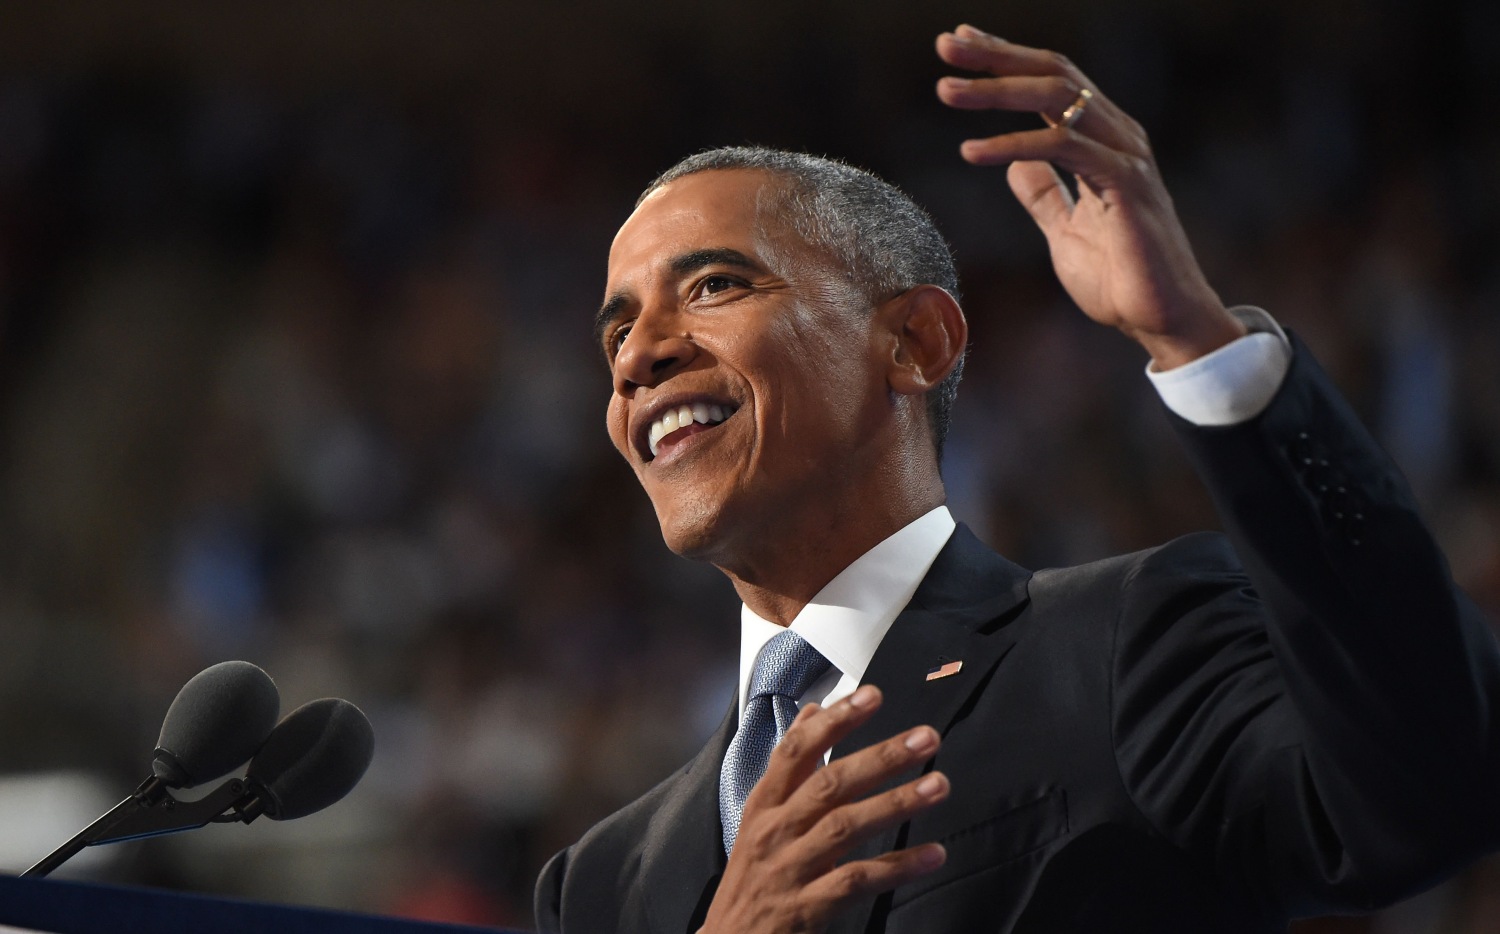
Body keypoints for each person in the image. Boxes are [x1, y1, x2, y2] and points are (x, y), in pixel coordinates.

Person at [533, 23, 1500, 934]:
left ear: (916, 342)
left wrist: (1198, 343)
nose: (638, 356)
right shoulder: (602, 882)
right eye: (616, 334)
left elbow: (1435, 787)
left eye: (713, 286)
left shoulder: (1122, 651)